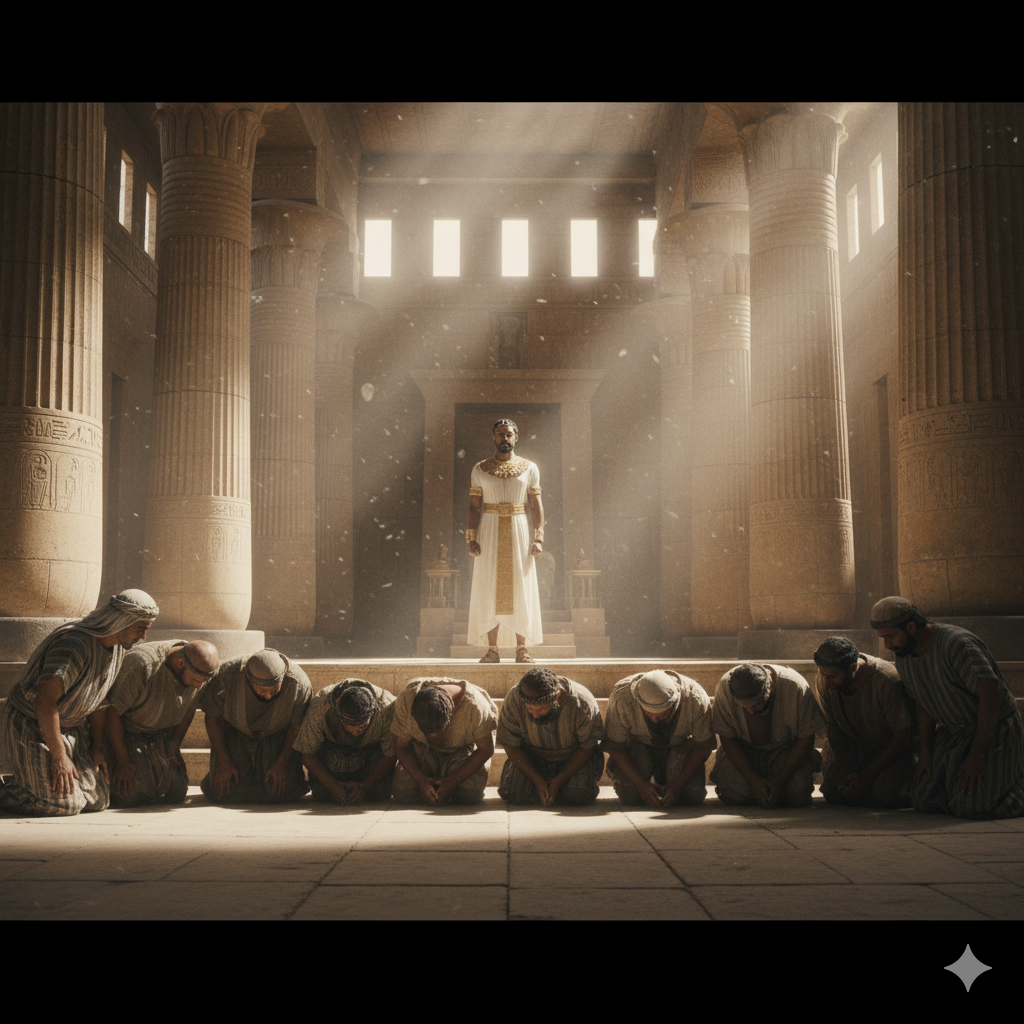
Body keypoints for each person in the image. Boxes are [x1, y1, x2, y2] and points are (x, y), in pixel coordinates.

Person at [0, 589, 160, 817]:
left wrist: (96, 750)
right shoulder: (74, 644)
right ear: (122, 621)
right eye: (141, 628)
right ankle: (9, 789)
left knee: (99, 800)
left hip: (72, 729)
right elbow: (45, 702)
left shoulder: (116, 648)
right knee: (65, 804)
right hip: (32, 725)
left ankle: (35, 781)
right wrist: (59, 757)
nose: (143, 637)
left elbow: (97, 702)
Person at [871, 596, 1024, 819]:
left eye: (890, 636)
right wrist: (926, 752)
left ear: (911, 627)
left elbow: (990, 699)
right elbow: (922, 703)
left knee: (972, 807)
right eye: (883, 638)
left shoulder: (957, 644)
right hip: (954, 734)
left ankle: (1014, 781)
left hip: (993, 731)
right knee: (923, 800)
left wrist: (978, 755)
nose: (887, 644)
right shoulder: (904, 654)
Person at [105, 638, 219, 807]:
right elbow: (112, 713)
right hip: (128, 735)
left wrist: (173, 747)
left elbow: (189, 709)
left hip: (161, 737)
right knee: (127, 794)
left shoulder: (200, 671)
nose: (198, 687)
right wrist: (122, 761)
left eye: (202, 682)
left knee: (175, 792)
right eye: (196, 681)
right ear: (180, 663)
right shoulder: (142, 664)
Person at [466, 418, 544, 664]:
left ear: (516, 437)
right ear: (493, 437)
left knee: (520, 585)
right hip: (488, 529)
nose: (504, 438)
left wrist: (538, 537)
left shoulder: (530, 468)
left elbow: (535, 505)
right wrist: (471, 537)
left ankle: (522, 649)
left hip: (519, 528)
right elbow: (473, 506)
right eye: (500, 434)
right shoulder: (480, 469)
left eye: (508, 434)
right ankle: (492, 649)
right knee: (489, 586)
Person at [813, 635, 916, 808]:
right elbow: (833, 727)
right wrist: (843, 769)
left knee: (885, 796)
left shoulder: (886, 680)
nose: (826, 682)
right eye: (823, 674)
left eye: (832, 676)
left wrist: (868, 775)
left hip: (889, 749)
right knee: (835, 792)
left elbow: (904, 734)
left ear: (853, 667)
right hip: (852, 746)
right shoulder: (826, 678)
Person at [199, 649, 311, 803]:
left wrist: (282, 764)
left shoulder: (299, 683)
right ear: (248, 679)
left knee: (280, 792)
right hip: (237, 733)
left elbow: (296, 727)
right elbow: (212, 718)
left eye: (274, 690)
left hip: (277, 737)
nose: (268, 695)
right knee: (226, 792)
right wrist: (223, 762)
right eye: (263, 690)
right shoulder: (227, 675)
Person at [711, 662, 825, 808]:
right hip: (745, 749)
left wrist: (780, 781)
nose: (751, 712)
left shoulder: (795, 686)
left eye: (756, 705)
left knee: (798, 796)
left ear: (770, 684)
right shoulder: (726, 686)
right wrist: (754, 781)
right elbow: (727, 737)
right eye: (744, 707)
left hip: (784, 750)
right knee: (735, 795)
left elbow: (806, 738)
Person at [602, 669, 715, 807]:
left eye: (662, 714)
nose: (655, 720)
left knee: (692, 796)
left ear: (674, 703)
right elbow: (615, 747)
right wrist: (641, 784)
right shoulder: (622, 697)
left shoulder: (696, 699)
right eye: (650, 714)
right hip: (638, 744)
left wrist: (679, 784)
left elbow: (703, 747)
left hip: (679, 745)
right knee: (629, 796)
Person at [497, 667, 605, 806]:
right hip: (532, 757)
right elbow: (510, 744)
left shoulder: (581, 702)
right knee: (515, 794)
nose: (535, 715)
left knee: (577, 796)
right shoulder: (514, 698)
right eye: (530, 709)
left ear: (557, 695)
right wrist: (537, 780)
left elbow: (588, 746)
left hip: (571, 758)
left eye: (541, 709)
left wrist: (558, 781)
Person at [391, 676, 497, 805]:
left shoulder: (476, 707)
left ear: (451, 716)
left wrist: (454, 780)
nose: (431, 737)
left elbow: (486, 749)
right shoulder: (407, 698)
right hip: (422, 749)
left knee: (470, 794)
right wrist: (420, 780)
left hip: (460, 751)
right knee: (403, 792)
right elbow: (402, 746)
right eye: (426, 732)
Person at [294, 677, 397, 805]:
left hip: (370, 755)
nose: (354, 733)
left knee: (379, 792)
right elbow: (307, 752)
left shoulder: (387, 707)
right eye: (347, 727)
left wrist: (365, 786)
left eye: (362, 728)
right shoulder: (321, 705)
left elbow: (390, 754)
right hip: (334, 752)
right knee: (322, 793)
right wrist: (332, 785)